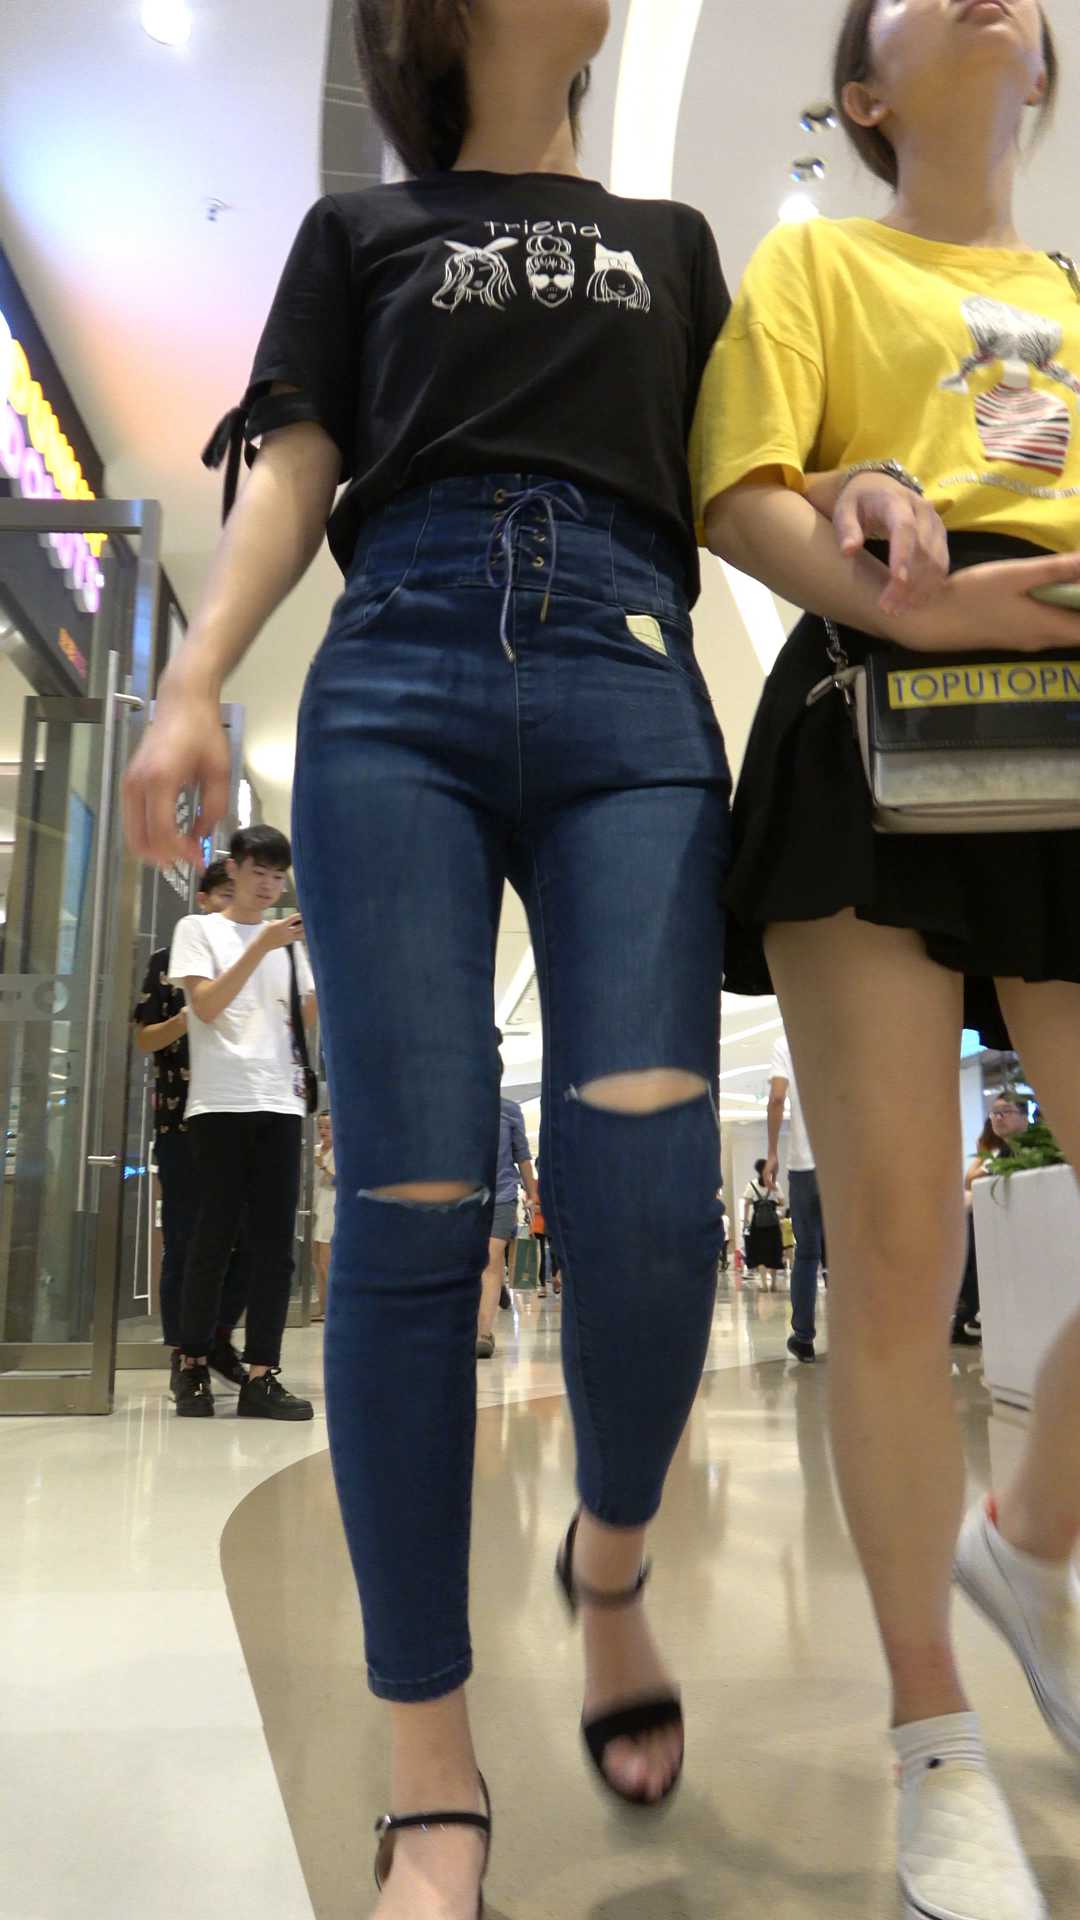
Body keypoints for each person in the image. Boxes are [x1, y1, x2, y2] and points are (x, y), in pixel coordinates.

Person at [123, 0, 752, 1901]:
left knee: (650, 1193)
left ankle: (610, 1564)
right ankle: (430, 1762)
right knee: (411, 1200)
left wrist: (864, 504)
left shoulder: (671, 244)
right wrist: (197, 675)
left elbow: (740, 478)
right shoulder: (365, 231)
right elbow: (297, 463)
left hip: (630, 666)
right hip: (396, 664)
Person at [697, 3, 1080, 1914]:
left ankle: (1032, 1541)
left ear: (1046, 77)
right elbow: (737, 486)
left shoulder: (1071, 297)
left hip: (1071, 713)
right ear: (863, 92)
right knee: (908, 1248)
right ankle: (935, 1737)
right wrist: (880, 558)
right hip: (874, 703)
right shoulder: (817, 268)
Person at [167, 824, 317, 1421]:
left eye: (279, 876)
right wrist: (261, 946)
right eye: (260, 873)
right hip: (220, 1102)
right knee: (214, 1236)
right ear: (234, 869)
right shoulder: (198, 930)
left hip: (280, 1100)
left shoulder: (293, 943)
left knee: (275, 1245)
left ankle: (261, 1374)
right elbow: (204, 1006)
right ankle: (192, 1364)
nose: (270, 885)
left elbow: (303, 1016)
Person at [133, 858, 253, 1397]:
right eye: (225, 893)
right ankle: (186, 1355)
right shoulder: (168, 962)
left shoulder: (254, 959)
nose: (234, 902)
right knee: (186, 1240)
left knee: (249, 1241)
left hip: (243, 1119)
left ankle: (218, 1339)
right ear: (203, 900)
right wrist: (189, 1015)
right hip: (182, 1125)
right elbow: (144, 1038)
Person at [956, 1091, 1032, 1345]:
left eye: (1005, 1112)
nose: (998, 1118)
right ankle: (971, 1310)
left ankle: (975, 1311)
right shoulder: (1001, 1150)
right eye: (994, 1113)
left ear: (1025, 1116)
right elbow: (971, 1180)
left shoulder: (1033, 1147)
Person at [766, 1029, 824, 1363]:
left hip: (803, 1166)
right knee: (846, 1253)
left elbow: (777, 1098)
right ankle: (856, 1334)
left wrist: (772, 1152)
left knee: (807, 1254)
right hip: (842, 1165)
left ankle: (804, 1338)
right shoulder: (844, 1029)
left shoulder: (786, 1041)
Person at [478, 1088, 539, 1358]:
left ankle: (482, 1334)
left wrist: (532, 1194)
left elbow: (523, 1156)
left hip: (501, 1195)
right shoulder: (455, 1107)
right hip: (464, 1198)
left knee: (491, 1259)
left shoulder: (510, 1110)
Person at [741, 1158, 786, 1291]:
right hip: (773, 1224)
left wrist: (746, 1222)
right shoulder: (774, 1184)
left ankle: (764, 1284)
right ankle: (773, 1284)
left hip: (757, 1224)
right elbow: (782, 1202)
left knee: (759, 1252)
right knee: (774, 1252)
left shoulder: (751, 1185)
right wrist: (772, 1202)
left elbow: (746, 1204)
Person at [313, 1108, 336, 1324]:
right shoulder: (316, 1149)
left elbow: (339, 1181)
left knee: (325, 1263)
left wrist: (323, 1166)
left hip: (330, 1211)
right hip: (314, 1210)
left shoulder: (339, 1153)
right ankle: (322, 1308)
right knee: (316, 1263)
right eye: (320, 1126)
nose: (323, 1131)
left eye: (328, 1127)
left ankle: (332, 1310)